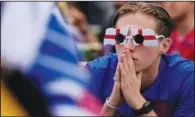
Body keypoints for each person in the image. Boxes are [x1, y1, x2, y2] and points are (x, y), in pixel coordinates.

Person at [86, 2, 194, 116]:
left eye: (139, 39)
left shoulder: (188, 78)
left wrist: (138, 102)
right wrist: (112, 103)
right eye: (120, 37)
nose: (127, 47)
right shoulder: (95, 72)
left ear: (164, 46)